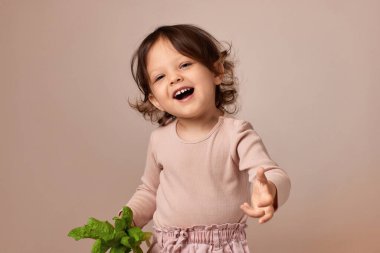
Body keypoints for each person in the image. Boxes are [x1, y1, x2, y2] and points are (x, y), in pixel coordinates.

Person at [124, 24, 291, 253]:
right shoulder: (159, 140)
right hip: (167, 247)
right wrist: (125, 221)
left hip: (220, 247)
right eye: (161, 76)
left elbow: (273, 173)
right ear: (155, 100)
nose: (174, 78)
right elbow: (149, 191)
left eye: (184, 64)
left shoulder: (236, 134)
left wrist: (269, 191)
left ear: (217, 71)